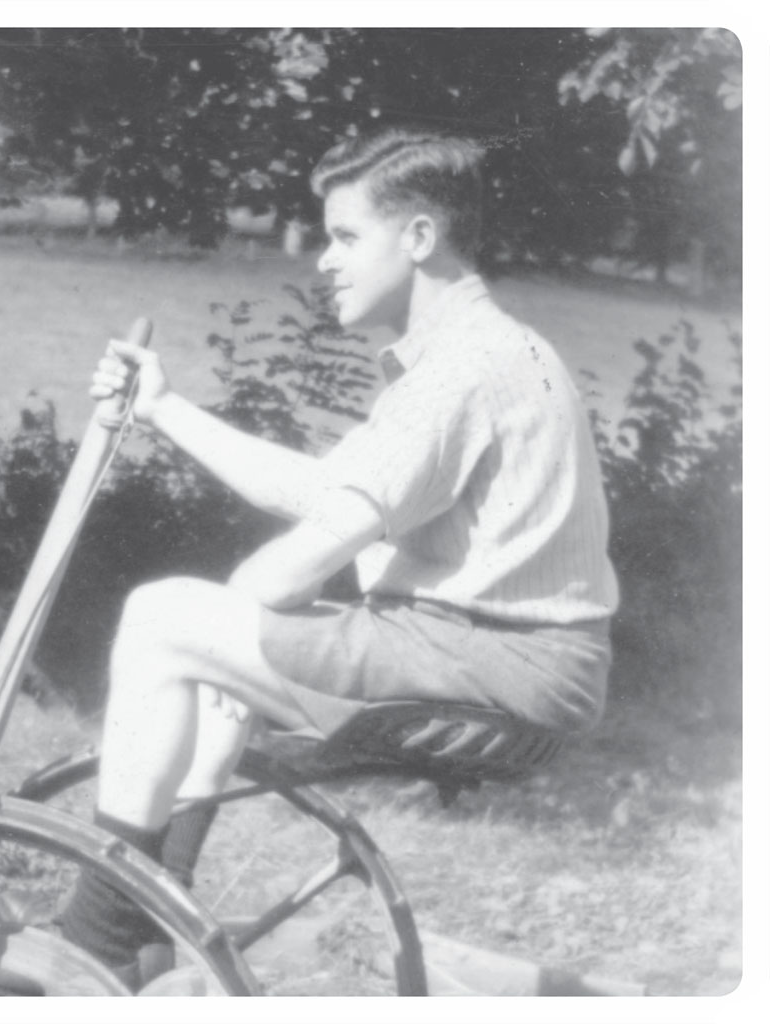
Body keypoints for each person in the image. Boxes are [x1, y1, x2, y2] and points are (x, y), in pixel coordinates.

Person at [60, 126, 619, 983]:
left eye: (345, 235)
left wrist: (243, 600)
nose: (323, 259)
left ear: (420, 238)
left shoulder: (457, 372)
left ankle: (100, 938)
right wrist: (165, 408)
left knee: (161, 618)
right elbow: (325, 490)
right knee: (208, 658)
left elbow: (293, 566)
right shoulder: (492, 352)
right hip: (515, 661)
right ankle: (154, 899)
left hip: (493, 665)